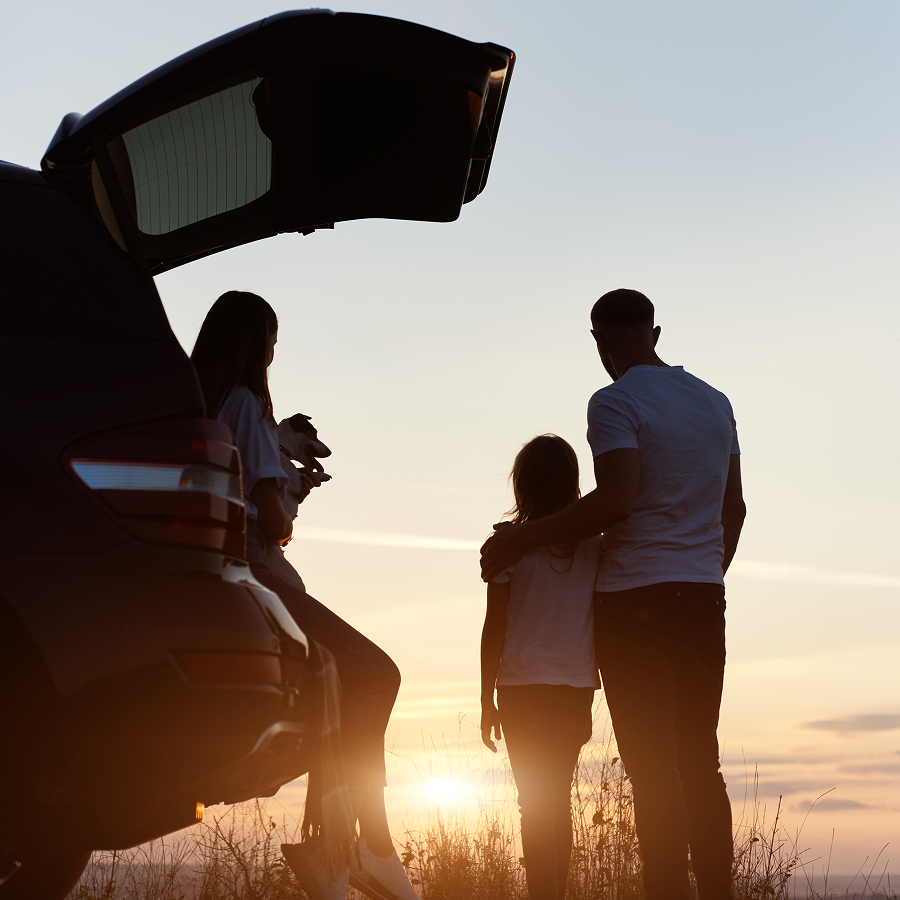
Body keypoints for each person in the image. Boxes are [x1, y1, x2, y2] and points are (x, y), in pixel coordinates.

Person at [481, 289, 746, 900]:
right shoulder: (715, 401)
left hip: (634, 603)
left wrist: (524, 540)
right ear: (655, 332)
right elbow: (734, 506)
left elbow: (616, 500)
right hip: (703, 596)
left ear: (600, 339)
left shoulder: (614, 401)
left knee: (654, 770)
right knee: (700, 764)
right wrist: (708, 568)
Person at [191, 291, 419, 900]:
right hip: (255, 573)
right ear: (255, 344)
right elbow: (272, 521)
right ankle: (361, 847)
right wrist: (287, 497)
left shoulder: (206, 405)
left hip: (222, 576)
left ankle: (338, 846)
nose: (272, 352)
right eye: (270, 340)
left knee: (339, 694)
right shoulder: (243, 405)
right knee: (376, 675)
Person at [480, 434, 601, 900]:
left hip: (519, 687)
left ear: (522, 484)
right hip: (574, 688)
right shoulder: (594, 546)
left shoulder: (508, 546)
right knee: (558, 802)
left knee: (534, 804)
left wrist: (485, 698)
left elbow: (495, 626)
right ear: (572, 483)